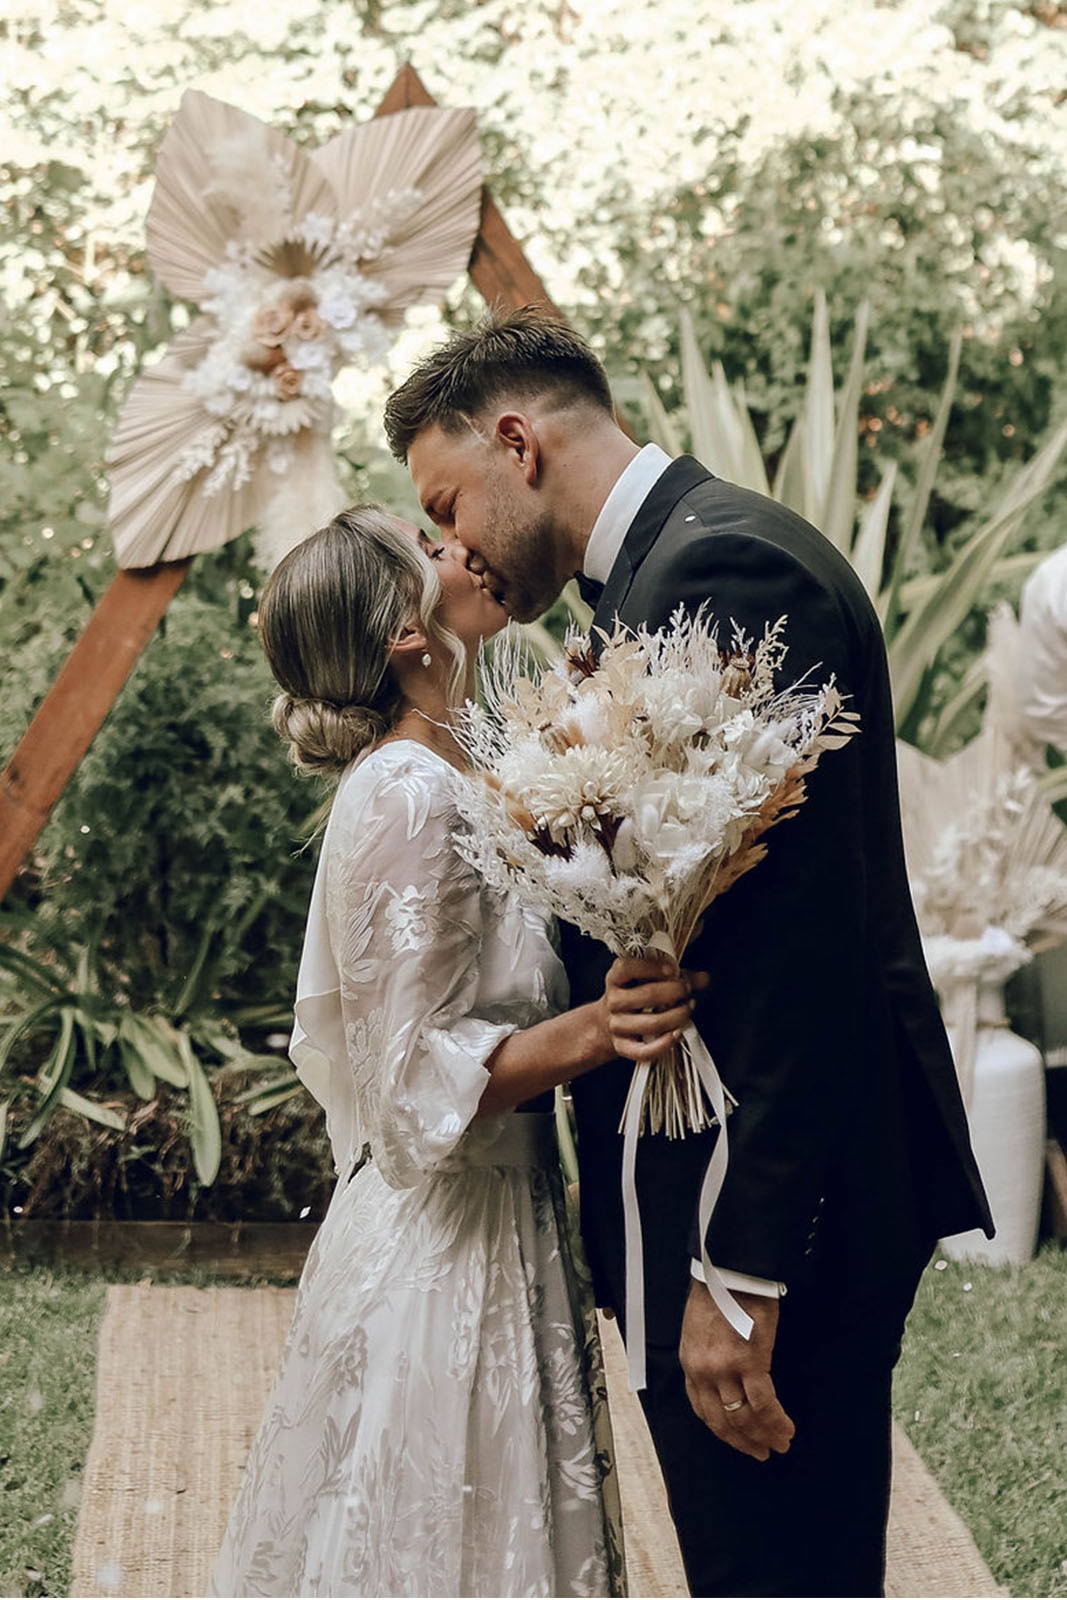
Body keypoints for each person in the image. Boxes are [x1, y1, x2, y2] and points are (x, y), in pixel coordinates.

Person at [383, 307, 994, 1599]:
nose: (456, 549)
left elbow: (801, 955)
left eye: (449, 505)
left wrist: (737, 1266)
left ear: (515, 443)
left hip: (769, 1219)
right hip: (712, 1200)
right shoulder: (669, 569)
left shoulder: (729, 579)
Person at [208, 506, 695, 1597]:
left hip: (502, 1217)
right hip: (445, 1243)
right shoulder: (403, 793)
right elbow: (404, 1077)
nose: (460, 551)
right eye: (426, 553)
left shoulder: (460, 773)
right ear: (402, 632)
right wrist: (590, 1032)